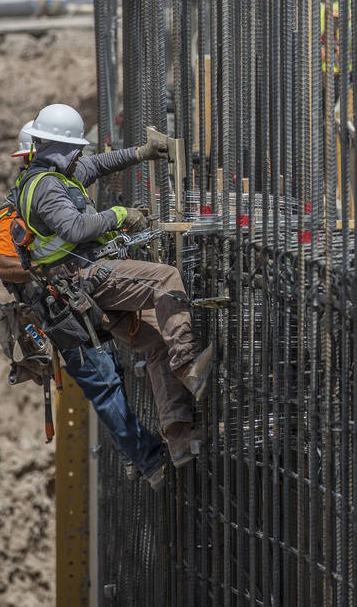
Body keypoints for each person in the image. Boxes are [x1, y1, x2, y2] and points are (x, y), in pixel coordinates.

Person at [14, 103, 213, 465]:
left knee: (154, 344)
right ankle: (188, 366)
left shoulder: (58, 174)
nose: (81, 158)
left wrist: (141, 153)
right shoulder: (46, 189)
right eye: (76, 151)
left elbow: (99, 164)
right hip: (84, 280)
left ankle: (178, 436)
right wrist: (120, 215)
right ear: (61, 149)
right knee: (166, 279)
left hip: (80, 290)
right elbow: (73, 228)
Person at [0, 122, 168, 486]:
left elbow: (97, 164)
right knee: (104, 383)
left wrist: (139, 153)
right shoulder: (17, 212)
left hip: (78, 303)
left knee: (112, 375)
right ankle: (149, 460)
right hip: (62, 311)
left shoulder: (49, 186)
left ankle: (135, 454)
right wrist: (46, 267)